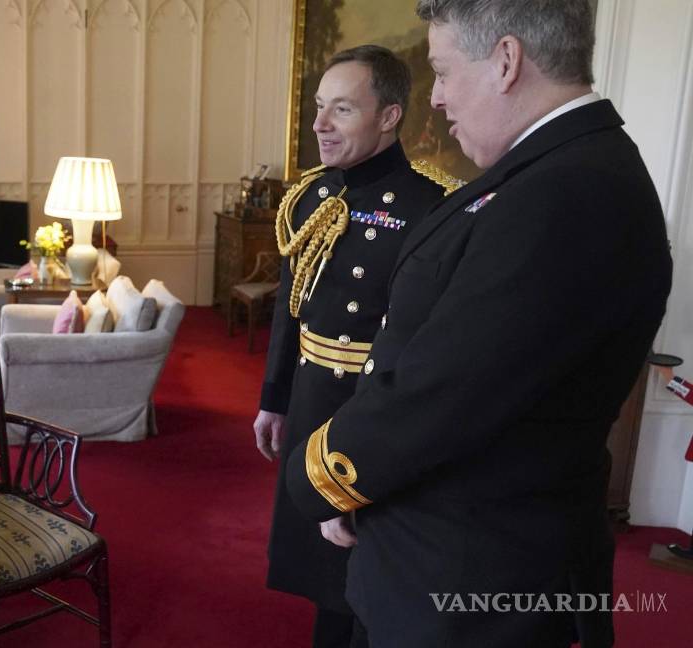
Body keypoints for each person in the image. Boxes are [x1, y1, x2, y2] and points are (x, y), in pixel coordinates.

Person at [283, 2, 672, 646]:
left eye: (441, 71)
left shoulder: (563, 195)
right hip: (450, 557)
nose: (434, 99)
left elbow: (442, 391)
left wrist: (320, 477)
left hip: (471, 582)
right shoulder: (553, 172)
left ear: (507, 61)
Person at [254, 45, 456, 648]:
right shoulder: (311, 195)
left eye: (340, 109)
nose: (319, 124)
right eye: (319, 107)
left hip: (372, 410)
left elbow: (419, 345)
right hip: (315, 399)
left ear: (389, 116)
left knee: (366, 569)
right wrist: (275, 398)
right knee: (320, 567)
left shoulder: (432, 205)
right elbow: (292, 309)